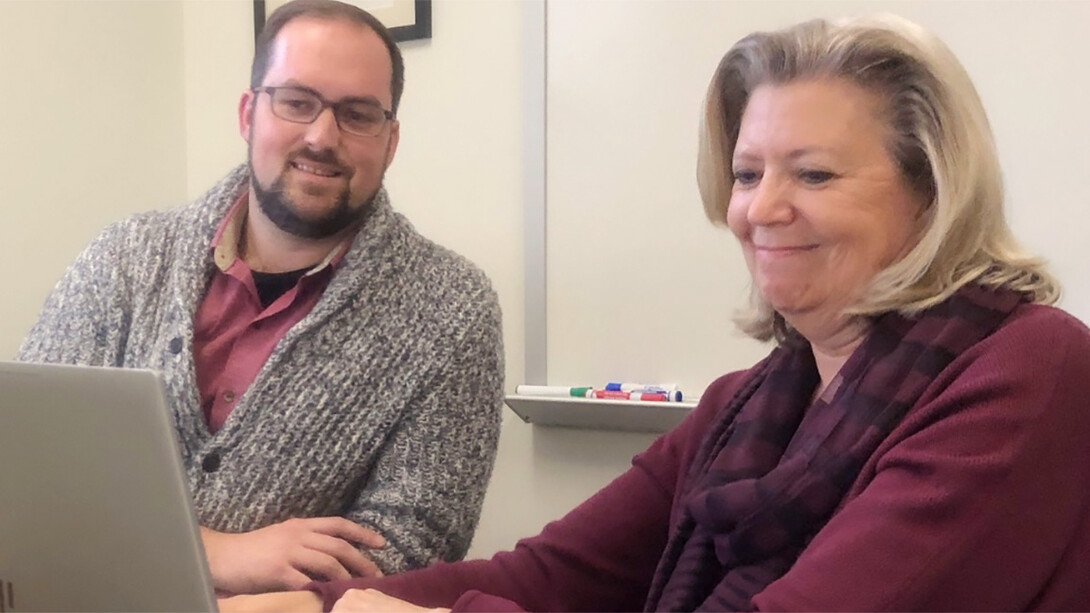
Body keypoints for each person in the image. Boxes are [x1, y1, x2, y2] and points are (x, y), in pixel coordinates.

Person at [222, 12, 1090, 613]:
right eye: (749, 174)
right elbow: (545, 576)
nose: (762, 209)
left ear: (931, 193)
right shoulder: (741, 409)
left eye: (815, 174)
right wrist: (299, 602)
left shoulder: (1029, 370)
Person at [17, 0, 504, 596]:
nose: (322, 137)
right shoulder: (123, 258)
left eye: (357, 114)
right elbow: (23, 465)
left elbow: (406, 551)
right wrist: (214, 553)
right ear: (249, 114)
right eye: (296, 102)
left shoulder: (453, 310)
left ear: (391, 139)